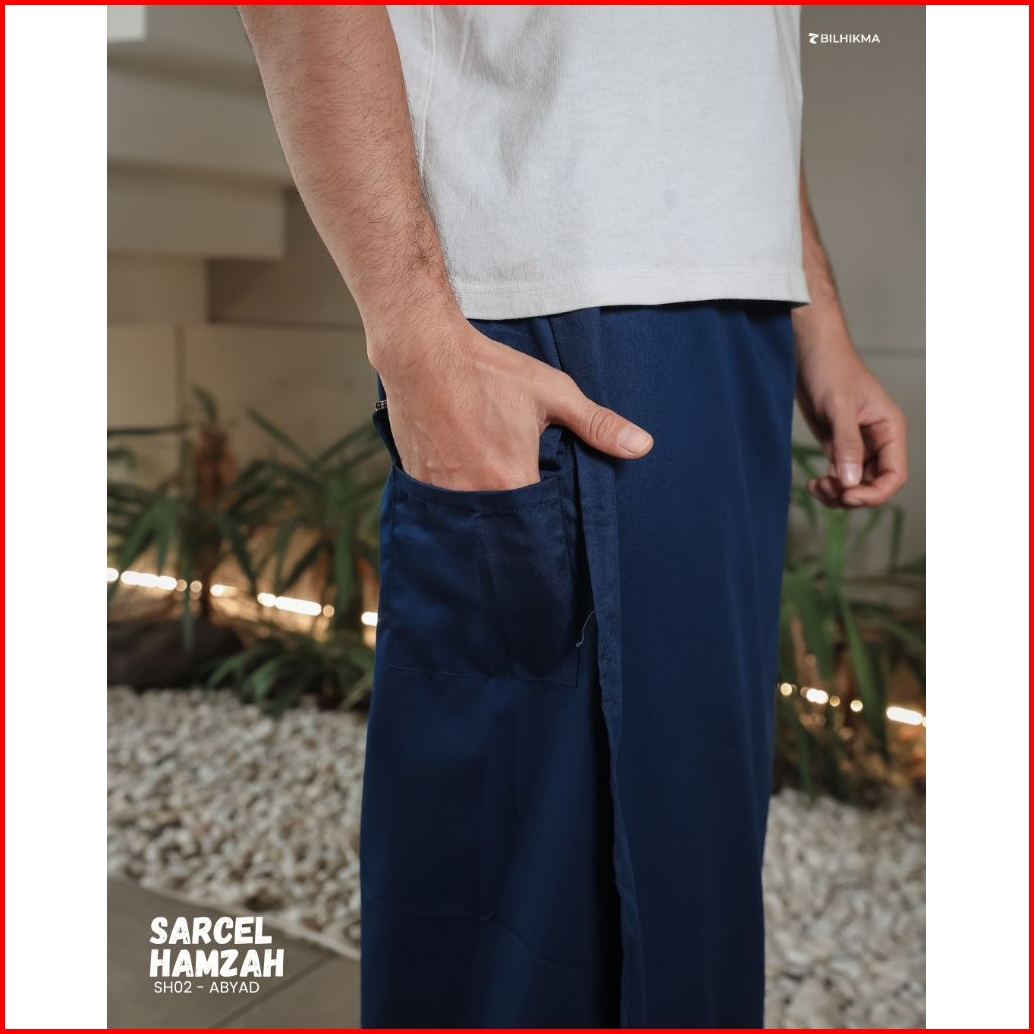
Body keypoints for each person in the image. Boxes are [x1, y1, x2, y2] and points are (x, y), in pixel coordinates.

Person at [239, 6, 908, 1028]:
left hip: (737, 325)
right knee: (542, 917)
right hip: (562, 304)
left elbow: (745, 64)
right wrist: (414, 334)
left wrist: (816, 319)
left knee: (692, 872)